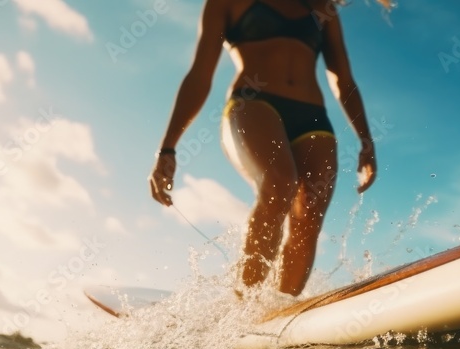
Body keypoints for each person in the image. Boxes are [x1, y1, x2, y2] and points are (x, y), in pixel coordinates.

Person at [148, 0, 390, 296]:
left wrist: (366, 139)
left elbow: (343, 79)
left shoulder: (323, 8)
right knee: (279, 182)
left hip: (312, 117)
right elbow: (200, 75)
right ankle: (244, 307)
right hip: (253, 103)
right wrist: (168, 149)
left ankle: (281, 308)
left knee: (309, 216)